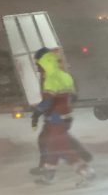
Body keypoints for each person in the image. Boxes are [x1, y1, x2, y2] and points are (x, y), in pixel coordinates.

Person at [30, 47, 95, 185]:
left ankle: (86, 172)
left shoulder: (50, 79)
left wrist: (36, 113)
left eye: (37, 63)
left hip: (56, 118)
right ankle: (48, 176)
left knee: (60, 147)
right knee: (52, 146)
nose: (37, 67)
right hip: (64, 117)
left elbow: (47, 101)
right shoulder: (64, 75)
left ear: (44, 62)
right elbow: (73, 96)